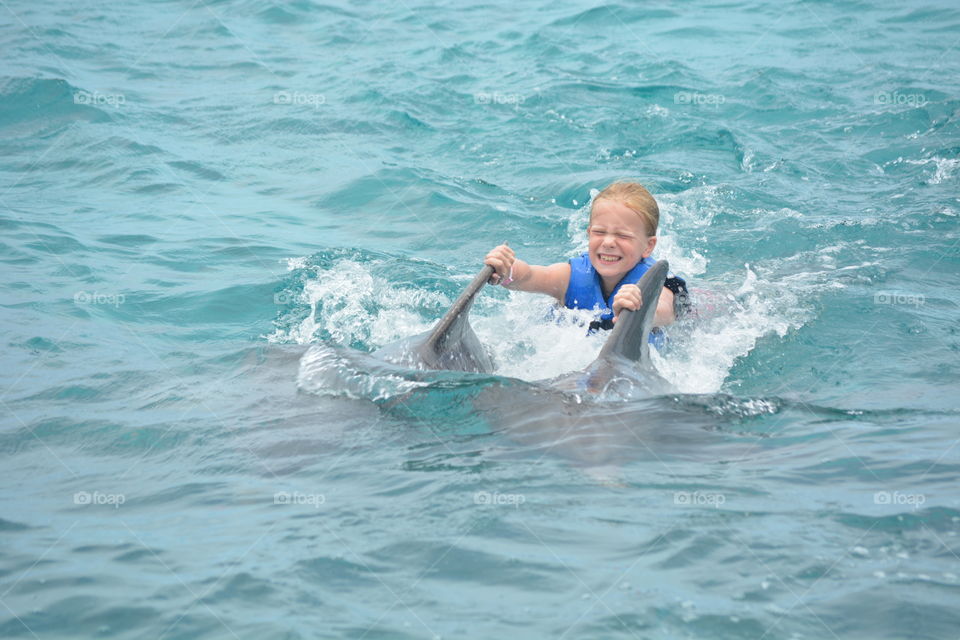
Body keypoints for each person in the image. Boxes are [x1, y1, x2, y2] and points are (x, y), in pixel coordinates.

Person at [484, 181, 689, 333]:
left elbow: (666, 311)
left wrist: (640, 306)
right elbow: (529, 276)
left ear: (648, 246)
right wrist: (507, 270)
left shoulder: (657, 285)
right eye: (600, 232)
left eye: (622, 235)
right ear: (589, 233)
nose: (608, 242)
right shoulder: (572, 275)